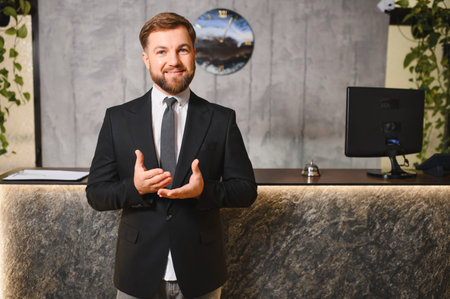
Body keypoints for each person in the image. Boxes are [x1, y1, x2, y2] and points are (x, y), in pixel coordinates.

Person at [86, 12, 257, 299]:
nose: (174, 61)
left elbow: (246, 190)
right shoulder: (117, 119)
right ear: (147, 59)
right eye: (161, 51)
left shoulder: (221, 119)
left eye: (182, 50)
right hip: (137, 269)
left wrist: (205, 191)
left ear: (194, 55)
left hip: (201, 270)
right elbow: (96, 193)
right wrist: (135, 188)